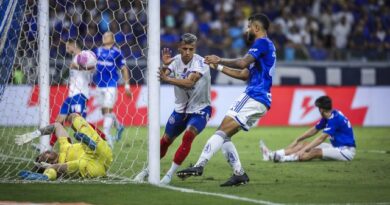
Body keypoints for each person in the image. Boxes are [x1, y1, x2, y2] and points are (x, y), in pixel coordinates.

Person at [177, 13, 276, 186]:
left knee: (221, 130)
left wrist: (219, 58)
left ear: (256, 28)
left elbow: (241, 64)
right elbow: (244, 74)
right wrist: (218, 66)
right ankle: (239, 174)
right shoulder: (265, 47)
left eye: (248, 26)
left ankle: (200, 165)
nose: (246, 30)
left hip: (254, 95)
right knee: (225, 135)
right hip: (260, 99)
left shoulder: (261, 43)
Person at [134, 33, 212, 185]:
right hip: (180, 110)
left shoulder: (201, 63)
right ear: (179, 48)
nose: (188, 52)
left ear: (195, 49)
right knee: (165, 141)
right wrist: (164, 66)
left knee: (188, 135)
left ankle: (169, 175)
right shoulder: (175, 61)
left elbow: (190, 83)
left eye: (191, 49)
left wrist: (167, 78)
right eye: (185, 48)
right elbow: (163, 74)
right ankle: (147, 170)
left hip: (200, 109)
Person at [16, 113, 112, 180]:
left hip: (100, 151)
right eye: (43, 156)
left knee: (74, 117)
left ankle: (88, 142)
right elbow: (52, 173)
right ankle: (87, 142)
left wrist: (34, 134)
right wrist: (49, 171)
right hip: (93, 168)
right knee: (78, 164)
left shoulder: (64, 146)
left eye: (43, 152)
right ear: (46, 163)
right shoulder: (58, 169)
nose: (45, 152)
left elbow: (56, 126)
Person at [260, 96, 356, 162]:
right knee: (304, 144)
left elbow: (321, 138)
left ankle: (284, 159)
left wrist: (305, 149)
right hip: (336, 147)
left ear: (321, 109)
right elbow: (314, 130)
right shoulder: (330, 115)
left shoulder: (334, 119)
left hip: (346, 151)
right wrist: (299, 139)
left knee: (314, 152)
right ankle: (271, 155)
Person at [47, 39, 94, 151]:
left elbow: (91, 70)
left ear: (74, 45)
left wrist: (76, 67)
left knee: (79, 124)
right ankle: (48, 147)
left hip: (80, 94)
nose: (67, 50)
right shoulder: (75, 58)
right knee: (58, 121)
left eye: (68, 47)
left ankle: (99, 141)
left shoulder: (84, 56)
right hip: (71, 95)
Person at [93, 31, 132, 148]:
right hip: (99, 84)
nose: (105, 37)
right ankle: (119, 126)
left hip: (111, 84)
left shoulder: (117, 52)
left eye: (108, 35)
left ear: (113, 38)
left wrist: (127, 86)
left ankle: (106, 135)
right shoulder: (97, 51)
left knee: (108, 110)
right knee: (104, 111)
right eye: (104, 35)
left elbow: (124, 69)